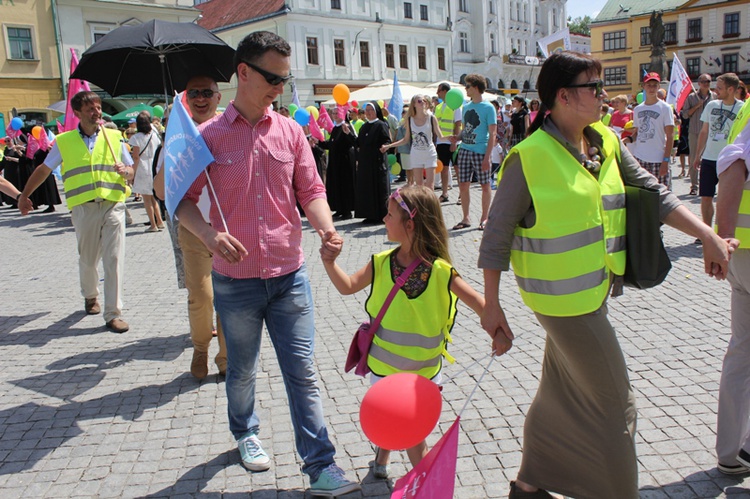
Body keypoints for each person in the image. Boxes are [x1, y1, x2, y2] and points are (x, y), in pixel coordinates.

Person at [478, 51, 732, 499]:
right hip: (560, 303)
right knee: (618, 406)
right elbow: (495, 238)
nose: (602, 96)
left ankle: (530, 484)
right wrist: (492, 306)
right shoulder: (528, 157)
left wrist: (706, 234)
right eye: (592, 88)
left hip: (592, 292)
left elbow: (653, 194)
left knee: (558, 392)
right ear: (562, 96)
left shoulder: (604, 141)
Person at [174, 31, 359, 497]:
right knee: (241, 369)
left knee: (302, 370)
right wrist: (211, 236)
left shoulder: (291, 131)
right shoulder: (208, 137)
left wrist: (326, 227)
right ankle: (245, 432)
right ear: (243, 73)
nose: (280, 86)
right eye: (272, 76)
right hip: (235, 282)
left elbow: (311, 190)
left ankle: (320, 466)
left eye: (285, 76)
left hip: (289, 275)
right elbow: (182, 201)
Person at [320, 185, 507, 479]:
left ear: (410, 224)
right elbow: (347, 287)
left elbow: (482, 306)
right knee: (398, 425)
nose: (384, 219)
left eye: (390, 214)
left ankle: (425, 484)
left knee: (407, 431)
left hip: (422, 376)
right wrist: (330, 263)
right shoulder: (380, 263)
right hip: (384, 372)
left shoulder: (443, 272)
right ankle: (400, 468)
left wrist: (498, 331)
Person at [17, 90, 134, 333]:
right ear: (78, 113)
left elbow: (131, 170)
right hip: (84, 208)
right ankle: (91, 295)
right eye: (91, 108)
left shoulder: (114, 137)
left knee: (114, 259)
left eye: (98, 107)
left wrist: (127, 171)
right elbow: (44, 169)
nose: (97, 112)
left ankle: (113, 313)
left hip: (113, 204)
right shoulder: (64, 141)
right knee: (88, 259)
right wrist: (25, 195)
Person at [154, 75, 228, 380]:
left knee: (229, 299)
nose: (200, 98)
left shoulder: (229, 130)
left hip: (231, 228)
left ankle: (226, 358)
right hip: (195, 230)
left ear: (218, 96)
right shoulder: (178, 137)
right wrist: (179, 153)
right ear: (186, 99)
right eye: (193, 93)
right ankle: (200, 349)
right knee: (201, 296)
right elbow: (160, 191)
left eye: (206, 92)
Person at [714, 102, 750, 475]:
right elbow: (735, 163)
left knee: (742, 351)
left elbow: (733, 161)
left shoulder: (746, 111)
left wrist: (724, 238)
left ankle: (730, 451)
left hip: (742, 254)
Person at [693, 72, 741, 231]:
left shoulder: (742, 109)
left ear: (731, 89)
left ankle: (724, 231)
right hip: (709, 159)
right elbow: (704, 131)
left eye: (720, 88)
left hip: (731, 160)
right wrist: (697, 155)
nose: (716, 90)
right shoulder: (712, 105)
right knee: (706, 197)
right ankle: (707, 231)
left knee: (725, 199)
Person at [453, 74, 496, 231]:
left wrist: (487, 157)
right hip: (464, 149)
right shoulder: (466, 107)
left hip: (481, 151)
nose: (466, 88)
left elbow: (492, 134)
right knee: (463, 185)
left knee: (485, 185)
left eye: (468, 86)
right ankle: (466, 218)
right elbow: (465, 130)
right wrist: (456, 137)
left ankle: (485, 218)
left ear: (476, 88)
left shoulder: (488, 108)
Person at [383, 94, 442, 190]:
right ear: (414, 104)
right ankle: (420, 205)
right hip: (416, 154)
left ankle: (429, 205)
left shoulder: (431, 118)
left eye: (424, 100)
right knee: (419, 185)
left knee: (430, 186)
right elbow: (406, 139)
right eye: (419, 101)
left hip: (429, 153)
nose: (423, 102)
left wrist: (452, 138)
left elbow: (441, 136)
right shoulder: (410, 120)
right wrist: (389, 146)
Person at [628, 72, 675, 189]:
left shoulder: (665, 108)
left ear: (659, 87)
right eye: (649, 85)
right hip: (640, 158)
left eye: (655, 85)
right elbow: (637, 133)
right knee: (643, 193)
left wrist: (666, 160)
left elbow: (670, 136)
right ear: (643, 86)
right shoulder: (638, 109)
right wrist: (626, 139)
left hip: (658, 159)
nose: (652, 88)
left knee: (662, 195)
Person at [355, 102, 391, 224]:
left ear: (376, 111)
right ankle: (369, 214)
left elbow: (387, 140)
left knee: (379, 188)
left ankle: (381, 215)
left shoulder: (381, 125)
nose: (368, 112)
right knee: (367, 189)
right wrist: (348, 133)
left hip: (377, 162)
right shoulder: (364, 127)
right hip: (365, 163)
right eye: (367, 110)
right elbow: (358, 143)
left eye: (371, 110)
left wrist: (384, 146)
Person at [682, 74, 716, 195]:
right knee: (693, 158)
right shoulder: (692, 97)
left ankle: (708, 184)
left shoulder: (715, 97)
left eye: (708, 81)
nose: (706, 83)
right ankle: (694, 185)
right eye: (703, 81)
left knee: (709, 158)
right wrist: (697, 105)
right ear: (699, 83)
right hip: (695, 131)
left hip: (711, 133)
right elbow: (685, 114)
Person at [129, 111, 164, 232]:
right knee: (154, 197)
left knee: (147, 199)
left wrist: (133, 172)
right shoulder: (154, 135)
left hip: (143, 168)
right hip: (154, 166)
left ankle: (153, 224)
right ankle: (159, 221)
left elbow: (136, 157)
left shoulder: (135, 138)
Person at [318, 114, 357, 220]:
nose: (334, 116)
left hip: (345, 161)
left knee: (345, 186)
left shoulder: (346, 126)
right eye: (333, 114)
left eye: (336, 113)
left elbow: (353, 142)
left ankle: (347, 210)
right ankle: (339, 208)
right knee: (336, 184)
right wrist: (319, 142)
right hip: (335, 161)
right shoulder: (335, 128)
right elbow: (331, 144)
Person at [434, 82, 462, 203]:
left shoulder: (455, 106)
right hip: (441, 142)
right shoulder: (438, 107)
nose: (437, 93)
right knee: (444, 169)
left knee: (457, 168)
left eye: (439, 90)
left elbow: (458, 124)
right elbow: (436, 126)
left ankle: (462, 194)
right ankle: (444, 194)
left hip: (452, 142)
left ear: (445, 91)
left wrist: (454, 142)